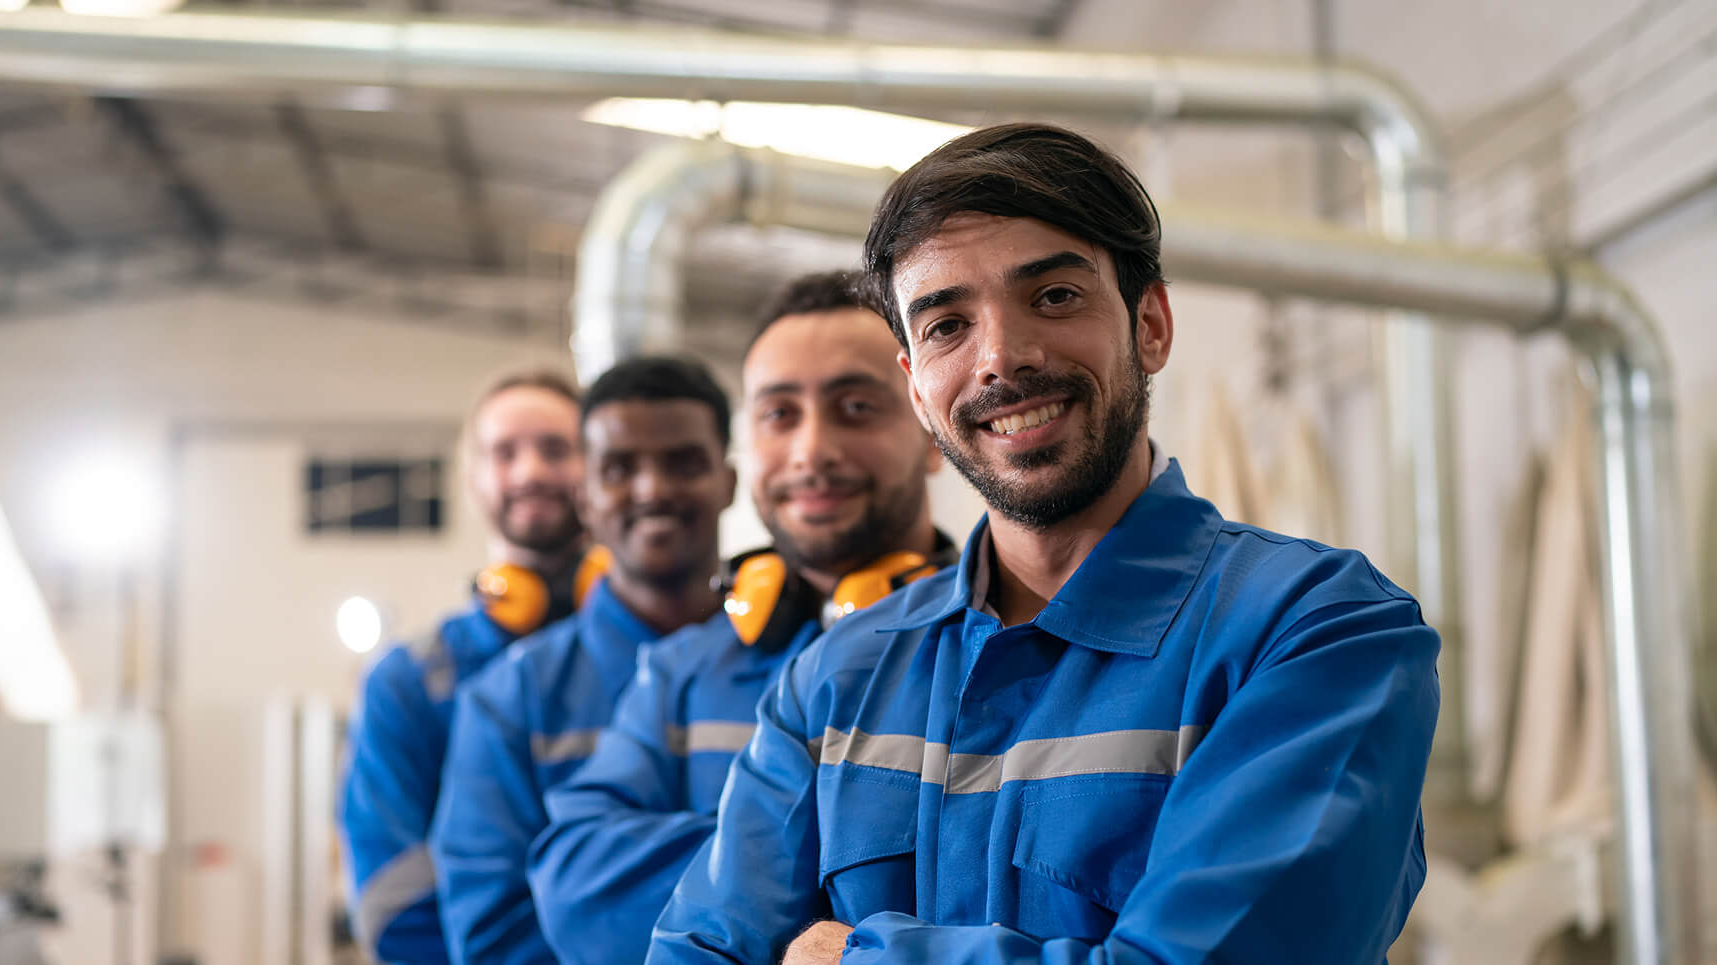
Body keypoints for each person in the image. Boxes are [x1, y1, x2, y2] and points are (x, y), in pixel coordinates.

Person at [650, 123, 1440, 965]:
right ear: (916, 386)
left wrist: (858, 958)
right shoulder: (832, 683)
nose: (1002, 357)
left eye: (1054, 296)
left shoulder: (1319, 634)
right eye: (947, 324)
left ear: (1151, 326)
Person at [528, 271, 954, 965]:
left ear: (933, 428)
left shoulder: (1007, 652)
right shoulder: (683, 670)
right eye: (780, 414)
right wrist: (851, 884)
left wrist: (736, 891)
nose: (811, 450)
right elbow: (576, 881)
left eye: (854, 407)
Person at [437, 355, 738, 965]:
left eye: (682, 462)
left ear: (729, 482)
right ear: (584, 494)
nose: (652, 489)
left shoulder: (802, 671)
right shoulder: (508, 700)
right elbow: (493, 936)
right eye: (620, 468)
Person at [338, 369, 586, 965]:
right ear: (474, 480)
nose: (530, 471)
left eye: (556, 449)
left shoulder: (659, 657)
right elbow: (390, 899)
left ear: (598, 466)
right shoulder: (410, 683)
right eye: (505, 453)